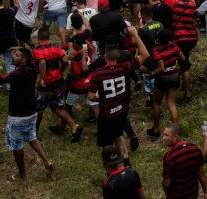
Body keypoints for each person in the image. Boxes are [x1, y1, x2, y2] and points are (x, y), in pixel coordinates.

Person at [0, 48, 54, 180]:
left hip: (18, 114)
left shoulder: (19, 72)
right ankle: (46, 161)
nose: (13, 57)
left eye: (17, 55)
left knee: (16, 144)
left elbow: (2, 79)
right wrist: (21, 49)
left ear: (24, 60)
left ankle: (22, 174)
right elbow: (32, 58)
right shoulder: (32, 68)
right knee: (32, 136)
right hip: (31, 111)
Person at [88, 27, 149, 159]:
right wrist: (135, 35)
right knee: (119, 135)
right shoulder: (125, 67)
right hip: (122, 109)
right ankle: (125, 160)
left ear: (104, 56)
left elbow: (91, 97)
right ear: (118, 55)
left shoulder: (98, 73)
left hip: (106, 113)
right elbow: (145, 55)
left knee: (107, 143)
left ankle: (111, 163)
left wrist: (99, 97)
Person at [143, 0, 196, 102]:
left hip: (181, 37)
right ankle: (185, 87)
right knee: (185, 61)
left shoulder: (173, 2)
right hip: (192, 37)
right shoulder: (192, 3)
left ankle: (188, 95)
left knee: (184, 66)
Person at [32, 28, 83, 141]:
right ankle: (74, 126)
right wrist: (60, 71)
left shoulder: (37, 50)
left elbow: (42, 62)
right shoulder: (56, 47)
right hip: (59, 82)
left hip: (46, 84)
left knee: (37, 109)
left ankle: (33, 135)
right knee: (56, 106)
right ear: (49, 37)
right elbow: (65, 60)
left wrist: (41, 79)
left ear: (38, 38)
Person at [146, 29, 184, 137]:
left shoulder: (157, 50)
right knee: (172, 105)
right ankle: (176, 132)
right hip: (175, 76)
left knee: (156, 103)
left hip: (163, 78)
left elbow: (161, 68)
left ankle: (156, 129)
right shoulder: (174, 45)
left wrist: (151, 75)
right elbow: (182, 57)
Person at [162, 123, 207, 199]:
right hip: (193, 195)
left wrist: (166, 192)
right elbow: (201, 172)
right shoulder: (195, 149)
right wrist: (206, 191)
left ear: (175, 136)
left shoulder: (169, 157)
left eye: (166, 135)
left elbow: (166, 184)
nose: (163, 138)